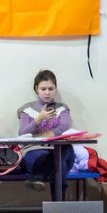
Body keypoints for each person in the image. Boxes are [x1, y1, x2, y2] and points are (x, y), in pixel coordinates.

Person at [16, 69, 75, 198]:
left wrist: (49, 134)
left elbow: (64, 127)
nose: (47, 93)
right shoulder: (26, 109)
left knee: (66, 148)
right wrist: (39, 118)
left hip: (58, 149)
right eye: (43, 89)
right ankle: (59, 209)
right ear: (36, 89)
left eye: (50, 88)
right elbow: (22, 133)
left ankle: (39, 177)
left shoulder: (62, 108)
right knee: (60, 166)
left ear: (55, 89)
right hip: (34, 151)